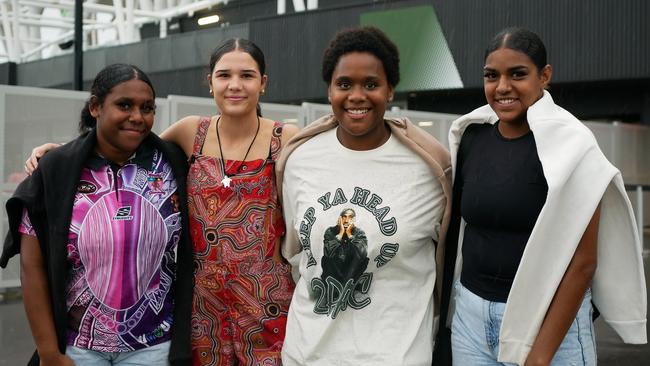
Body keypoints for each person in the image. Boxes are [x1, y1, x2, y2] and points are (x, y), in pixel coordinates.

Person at [25, 39, 300, 365]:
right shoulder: (189, 134)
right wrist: (64, 153)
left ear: (263, 83)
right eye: (224, 75)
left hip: (266, 304)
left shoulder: (287, 139)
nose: (235, 85)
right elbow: (124, 142)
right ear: (210, 81)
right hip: (202, 310)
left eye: (247, 76)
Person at [439, 27, 647, 366]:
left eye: (517, 74)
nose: (503, 87)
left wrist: (540, 355)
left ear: (544, 76)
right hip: (470, 322)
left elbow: (583, 262)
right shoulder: (472, 138)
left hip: (548, 325)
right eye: (492, 76)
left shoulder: (573, 146)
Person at [275, 26, 452, 365]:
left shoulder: (430, 168)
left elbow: (448, 261)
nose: (357, 96)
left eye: (371, 84)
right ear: (329, 90)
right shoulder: (298, 161)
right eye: (344, 84)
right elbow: (296, 255)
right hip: (309, 354)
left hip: (395, 356)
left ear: (390, 91)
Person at [0, 64, 194, 365]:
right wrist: (50, 352)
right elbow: (32, 267)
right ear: (95, 107)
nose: (138, 117)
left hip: (154, 346)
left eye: (147, 108)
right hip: (78, 347)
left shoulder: (172, 165)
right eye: (124, 105)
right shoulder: (57, 172)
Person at [321, 208, 369, 285]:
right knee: (327, 258)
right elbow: (328, 252)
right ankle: (331, 286)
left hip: (351, 271)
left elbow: (362, 253)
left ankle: (349, 284)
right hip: (333, 270)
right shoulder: (330, 231)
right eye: (344, 217)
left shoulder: (359, 233)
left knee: (364, 259)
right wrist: (340, 234)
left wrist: (350, 234)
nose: (346, 220)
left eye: (350, 217)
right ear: (340, 219)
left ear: (354, 220)